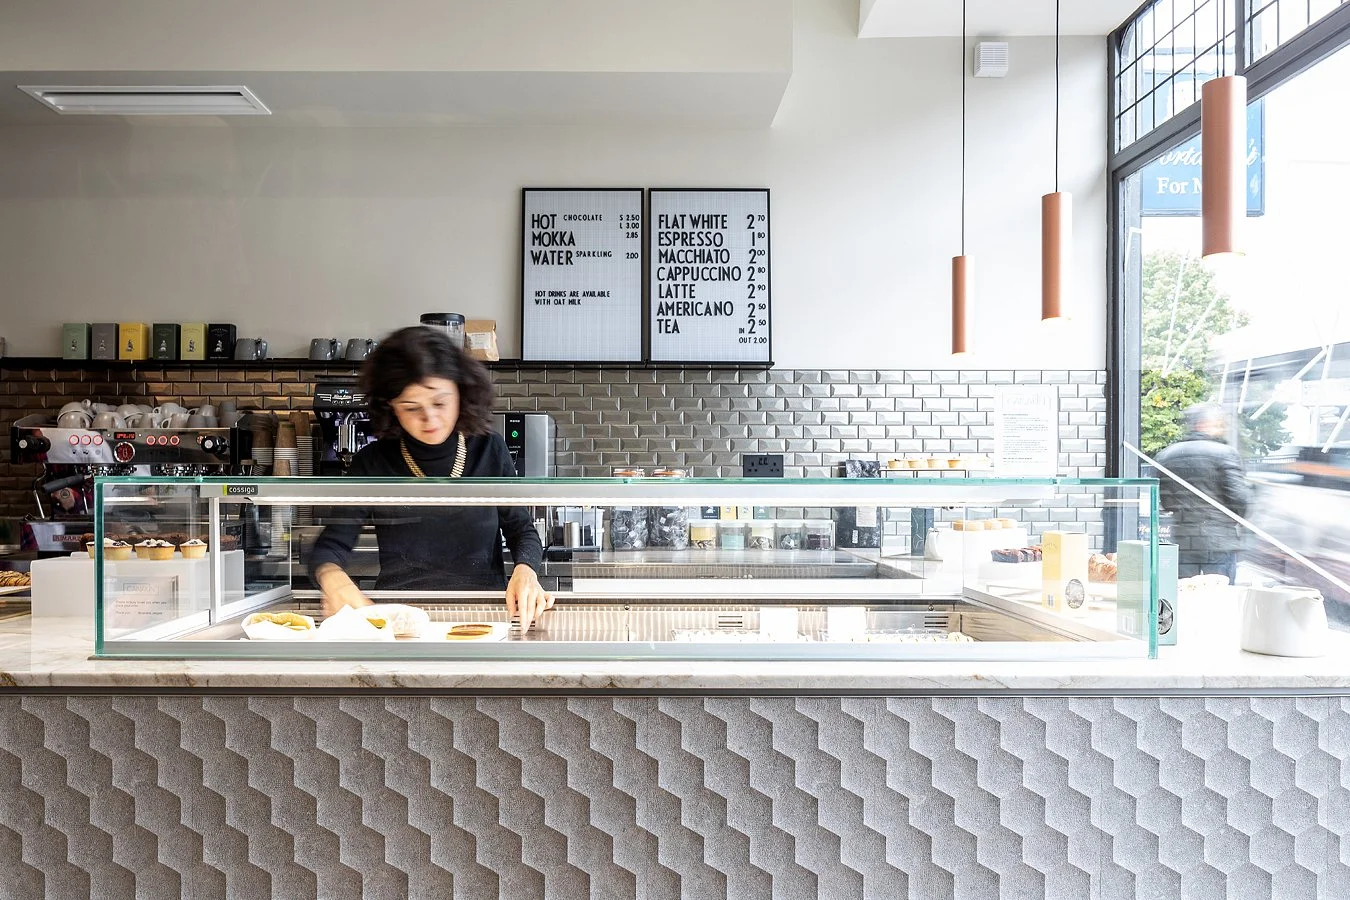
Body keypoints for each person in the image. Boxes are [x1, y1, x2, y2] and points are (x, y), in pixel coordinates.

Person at [309, 326, 553, 626]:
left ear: (460, 392)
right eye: (412, 408)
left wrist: (526, 570)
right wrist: (334, 579)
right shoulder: (372, 463)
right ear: (391, 407)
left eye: (440, 402)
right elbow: (330, 546)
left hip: (484, 618)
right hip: (400, 623)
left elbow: (522, 530)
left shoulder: (488, 449)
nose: (430, 419)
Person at [1155, 404, 1250, 583]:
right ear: (1203, 424)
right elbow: (1240, 500)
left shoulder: (1167, 456)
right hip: (1219, 542)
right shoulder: (1225, 454)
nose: (1221, 429)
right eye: (1218, 424)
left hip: (1182, 540)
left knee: (1184, 594)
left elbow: (1166, 501)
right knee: (1219, 596)